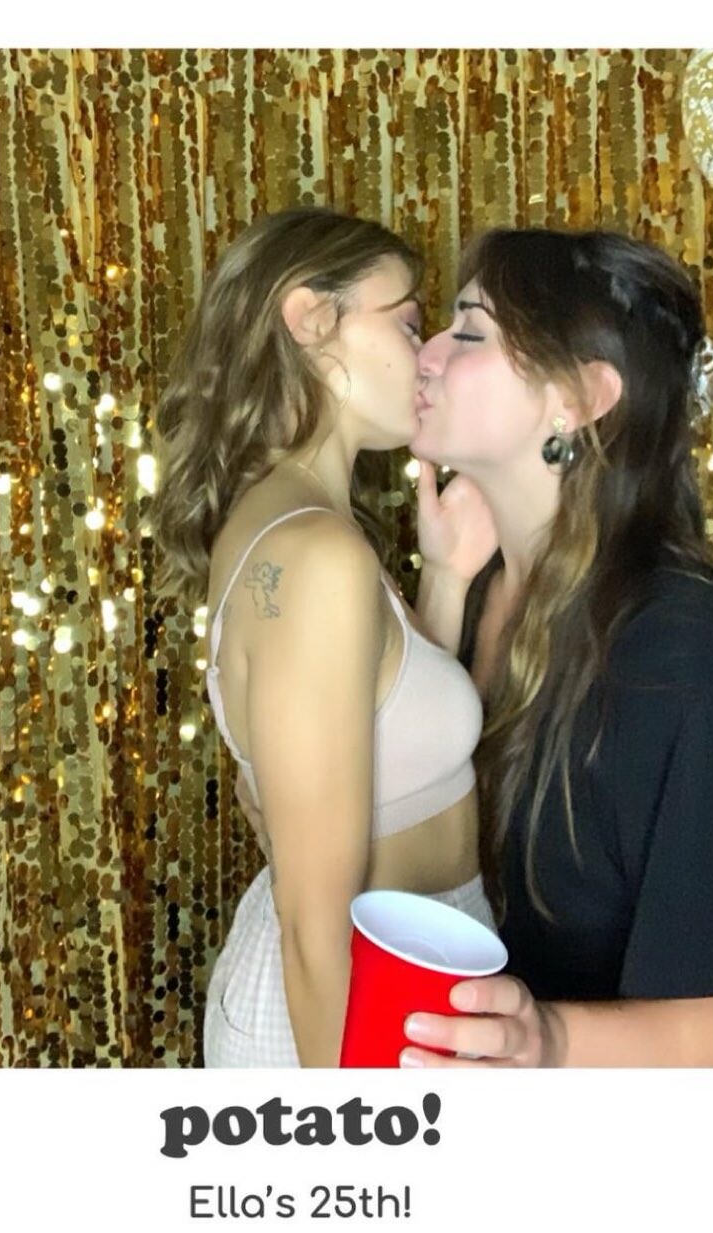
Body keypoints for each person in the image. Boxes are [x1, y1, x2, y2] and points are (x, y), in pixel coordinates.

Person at [150, 207, 492, 1069]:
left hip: (393, 982)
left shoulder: (303, 526)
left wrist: (444, 580)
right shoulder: (315, 554)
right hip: (349, 1008)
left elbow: (387, 738)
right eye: (407, 321)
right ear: (309, 318)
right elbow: (314, 924)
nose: (429, 353)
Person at [396, 226, 713, 1067]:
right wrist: (442, 588)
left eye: (468, 332)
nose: (423, 353)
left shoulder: (684, 655)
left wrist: (550, 1040)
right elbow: (404, 827)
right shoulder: (472, 582)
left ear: (577, 397)